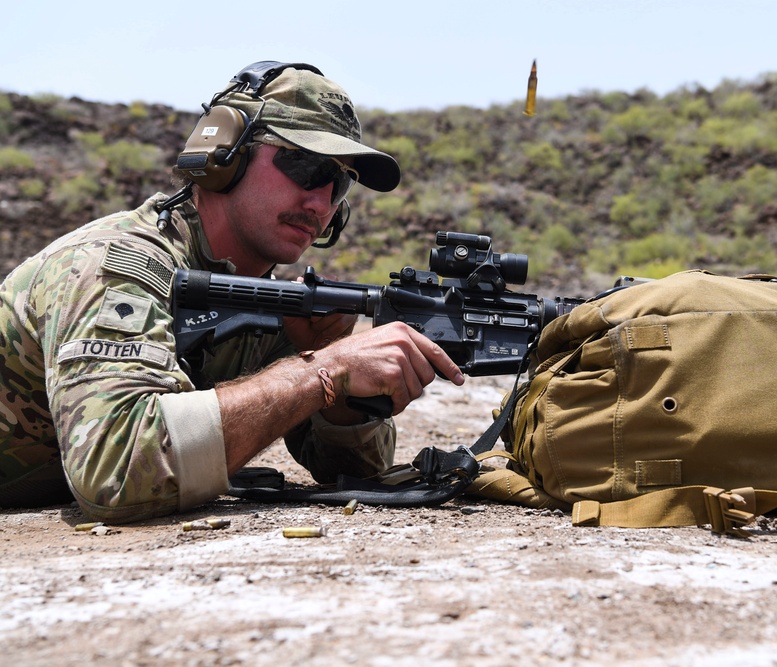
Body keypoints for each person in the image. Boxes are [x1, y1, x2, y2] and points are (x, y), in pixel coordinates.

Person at [0, 61, 464, 523]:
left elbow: (355, 471)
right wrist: (322, 370)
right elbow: (116, 473)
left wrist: (337, 380)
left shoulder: (270, 301)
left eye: (339, 182)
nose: (321, 202)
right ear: (226, 153)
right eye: (304, 165)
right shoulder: (116, 263)